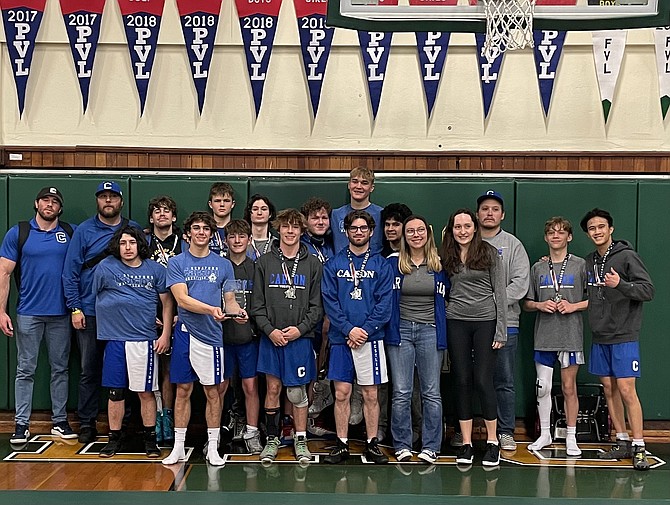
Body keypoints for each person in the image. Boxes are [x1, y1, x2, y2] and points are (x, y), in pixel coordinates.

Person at [162, 212, 247, 467]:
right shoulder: (177, 262)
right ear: (188, 233)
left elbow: (229, 300)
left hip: (212, 338)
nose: (201, 232)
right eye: (196, 228)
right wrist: (211, 309)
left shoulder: (223, 264)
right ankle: (177, 447)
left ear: (212, 234)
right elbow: (182, 300)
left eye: (206, 229)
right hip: (186, 334)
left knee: (213, 392)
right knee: (183, 390)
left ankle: (213, 447)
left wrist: (236, 313)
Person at [62, 181, 142, 443]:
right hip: (90, 310)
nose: (108, 201)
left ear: (121, 201)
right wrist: (75, 307)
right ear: (97, 201)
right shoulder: (85, 231)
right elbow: (71, 272)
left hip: (125, 316)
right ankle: (87, 422)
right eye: (103, 197)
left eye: (113, 197)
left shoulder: (133, 230)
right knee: (89, 369)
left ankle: (124, 424)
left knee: (126, 370)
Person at [0, 187, 77, 444]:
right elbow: (4, 273)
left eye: (55, 201)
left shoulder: (69, 232)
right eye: (46, 199)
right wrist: (1, 311)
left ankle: (59, 421)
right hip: (28, 314)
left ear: (60, 208)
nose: (50, 204)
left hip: (61, 314)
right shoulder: (19, 232)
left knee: (60, 369)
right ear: (36, 203)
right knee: (25, 369)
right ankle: (21, 424)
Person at [580, 208, 654, 471]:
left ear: (610, 229)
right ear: (588, 234)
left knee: (626, 390)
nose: (597, 231)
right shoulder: (589, 261)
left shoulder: (627, 257)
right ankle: (621, 440)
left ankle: (639, 445)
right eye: (592, 228)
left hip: (624, 335)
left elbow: (648, 290)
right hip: (600, 336)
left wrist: (620, 284)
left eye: (601, 226)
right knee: (609, 389)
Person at [250, 209, 323, 464]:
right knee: (272, 388)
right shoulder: (264, 262)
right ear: (277, 229)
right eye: (286, 227)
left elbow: (317, 307)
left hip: (299, 338)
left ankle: (300, 439)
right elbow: (256, 306)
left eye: (295, 227)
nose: (290, 231)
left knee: (296, 392)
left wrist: (299, 330)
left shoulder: (313, 263)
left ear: (302, 231)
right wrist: (270, 331)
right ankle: (272, 438)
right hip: (272, 337)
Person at [94, 226, 174, 458]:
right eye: (122, 243)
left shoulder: (155, 269)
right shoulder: (105, 267)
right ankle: (114, 439)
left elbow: (167, 303)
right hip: (115, 340)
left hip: (144, 341)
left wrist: (165, 333)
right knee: (115, 393)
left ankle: (150, 440)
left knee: (146, 392)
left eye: (132, 243)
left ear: (140, 244)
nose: (127, 248)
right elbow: (94, 296)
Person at [321, 210, 392, 465]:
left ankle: (372, 443)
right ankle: (341, 443)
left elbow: (385, 304)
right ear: (346, 231)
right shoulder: (334, 264)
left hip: (370, 339)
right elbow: (330, 302)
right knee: (341, 393)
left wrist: (364, 331)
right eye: (354, 228)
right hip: (342, 338)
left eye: (363, 228)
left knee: (371, 394)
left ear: (371, 232)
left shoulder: (381, 264)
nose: (359, 232)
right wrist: (349, 329)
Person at [440, 208, 507, 467]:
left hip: (485, 322)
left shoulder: (489, 253)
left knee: (482, 380)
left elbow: (500, 293)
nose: (463, 231)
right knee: (462, 380)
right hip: (456, 321)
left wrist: (500, 329)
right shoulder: (446, 255)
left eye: (467, 226)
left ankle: (492, 442)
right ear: (451, 230)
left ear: (475, 228)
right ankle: (466, 443)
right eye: (458, 227)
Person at [386, 215, 449, 464]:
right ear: (404, 236)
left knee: (431, 392)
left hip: (430, 331)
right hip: (400, 331)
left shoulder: (440, 265)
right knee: (401, 391)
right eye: (410, 231)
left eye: (420, 230)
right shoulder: (393, 263)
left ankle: (431, 445)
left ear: (428, 233)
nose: (415, 235)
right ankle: (402, 444)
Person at [524, 217, 588, 457]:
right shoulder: (538, 267)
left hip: (570, 336)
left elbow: (593, 300)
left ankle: (571, 436)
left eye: (561, 233)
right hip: (544, 336)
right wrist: (540, 305)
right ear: (546, 237)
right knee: (543, 388)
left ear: (569, 237)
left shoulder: (581, 265)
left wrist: (573, 306)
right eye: (551, 232)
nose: (556, 236)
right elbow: (527, 303)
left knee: (569, 388)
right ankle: (545, 434)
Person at [476, 190, 529, 451]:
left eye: (495, 209)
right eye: (485, 208)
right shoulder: (467, 241)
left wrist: (491, 302)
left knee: (503, 380)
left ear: (502, 215)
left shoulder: (513, 245)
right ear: (478, 214)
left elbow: (520, 284)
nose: (489, 213)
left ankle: (505, 430)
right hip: (472, 324)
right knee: (472, 378)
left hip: (506, 323)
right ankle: (474, 429)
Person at [220, 219, 263, 454]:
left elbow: (261, 303)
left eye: (241, 236)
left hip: (249, 338)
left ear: (249, 240)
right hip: (223, 338)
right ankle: (215, 433)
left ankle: (252, 431)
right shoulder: (219, 267)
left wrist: (252, 321)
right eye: (232, 236)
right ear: (226, 240)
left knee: (250, 387)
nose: (237, 241)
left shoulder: (257, 268)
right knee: (220, 388)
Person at [146, 195, 184, 444]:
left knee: (170, 371)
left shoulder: (185, 243)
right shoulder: (142, 243)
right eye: (157, 211)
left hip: (180, 314)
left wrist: (181, 313)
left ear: (173, 217)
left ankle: (168, 416)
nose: (162, 215)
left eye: (167, 211)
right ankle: (153, 416)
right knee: (149, 370)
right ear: (151, 218)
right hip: (148, 315)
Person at [300, 197, 335, 428]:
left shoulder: (334, 244)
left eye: (324, 217)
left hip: (331, 307)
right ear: (305, 221)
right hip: (305, 309)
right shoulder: (300, 245)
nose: (320, 221)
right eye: (315, 217)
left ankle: (321, 392)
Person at [331, 167, 384, 255]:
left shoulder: (381, 214)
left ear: (372, 188)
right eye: (355, 181)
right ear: (349, 185)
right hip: (341, 266)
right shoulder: (335, 215)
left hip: (372, 266)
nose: (358, 186)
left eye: (364, 183)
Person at [244, 194, 278, 261]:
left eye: (264, 209)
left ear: (270, 214)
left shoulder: (277, 244)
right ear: (249, 213)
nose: (259, 213)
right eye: (255, 209)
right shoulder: (241, 242)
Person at [208, 183, 236, 256]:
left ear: (232, 204)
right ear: (210, 204)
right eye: (217, 201)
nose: (222, 204)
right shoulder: (204, 230)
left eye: (226, 201)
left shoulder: (239, 230)